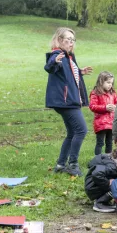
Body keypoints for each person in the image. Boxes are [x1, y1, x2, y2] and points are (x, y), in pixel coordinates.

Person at [44, 27, 92, 176]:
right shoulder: (57, 54)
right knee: (82, 130)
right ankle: (73, 164)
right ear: (59, 40)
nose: (71, 43)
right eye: (68, 40)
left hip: (68, 101)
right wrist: (54, 62)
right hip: (65, 102)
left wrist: (80, 72)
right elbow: (49, 66)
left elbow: (70, 74)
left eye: (73, 40)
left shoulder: (69, 57)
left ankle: (60, 164)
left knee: (72, 132)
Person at [84, 146, 117, 213]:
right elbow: (96, 173)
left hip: (93, 186)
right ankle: (99, 203)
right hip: (92, 188)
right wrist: (107, 183)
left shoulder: (115, 164)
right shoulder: (112, 167)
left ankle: (108, 201)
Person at [89, 71, 117, 155]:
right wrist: (105, 107)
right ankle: (97, 159)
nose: (110, 85)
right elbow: (92, 106)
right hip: (101, 123)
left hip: (111, 122)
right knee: (100, 143)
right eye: (108, 82)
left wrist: (116, 107)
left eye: (111, 83)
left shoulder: (113, 93)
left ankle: (108, 159)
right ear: (101, 82)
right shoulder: (95, 93)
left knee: (109, 143)